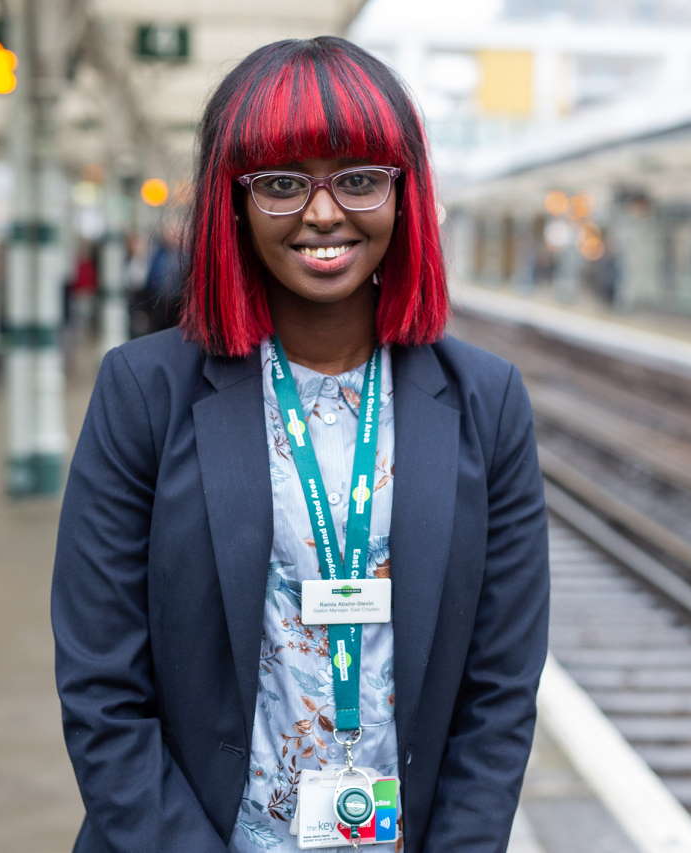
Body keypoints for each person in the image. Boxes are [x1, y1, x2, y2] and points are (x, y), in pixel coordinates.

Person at [52, 37, 549, 853]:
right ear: (233, 204)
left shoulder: (484, 402)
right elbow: (102, 688)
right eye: (282, 183)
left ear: (405, 194)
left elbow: (500, 691)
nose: (323, 213)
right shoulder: (145, 392)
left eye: (357, 178)